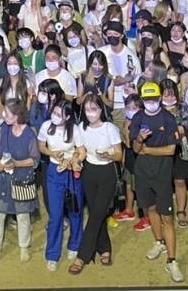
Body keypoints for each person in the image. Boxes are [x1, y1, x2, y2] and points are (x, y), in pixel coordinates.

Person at [129, 81, 183, 283]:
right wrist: (140, 140)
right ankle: (159, 242)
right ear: (142, 100)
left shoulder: (168, 118)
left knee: (168, 217)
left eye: (154, 98)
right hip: (143, 173)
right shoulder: (138, 118)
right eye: (147, 99)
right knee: (150, 209)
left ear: (160, 98)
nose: (150, 102)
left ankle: (172, 259)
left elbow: (170, 150)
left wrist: (148, 150)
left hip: (162, 174)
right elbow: (134, 149)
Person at [71, 92, 122, 273]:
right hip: (89, 172)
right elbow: (81, 150)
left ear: (101, 109)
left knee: (96, 215)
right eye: (87, 109)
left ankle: (82, 255)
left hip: (107, 172)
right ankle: (105, 248)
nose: (91, 112)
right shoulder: (81, 128)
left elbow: (119, 154)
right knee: (95, 213)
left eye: (94, 109)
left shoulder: (110, 128)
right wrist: (76, 159)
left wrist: (108, 154)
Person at [0, 99, 39, 267]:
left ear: (16, 116)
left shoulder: (29, 134)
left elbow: (34, 160)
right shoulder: (4, 129)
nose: (4, 115)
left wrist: (17, 164)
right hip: (4, 181)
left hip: (21, 180)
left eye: (7, 113)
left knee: (22, 216)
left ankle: (24, 246)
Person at [38, 97, 83, 270]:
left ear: (68, 117)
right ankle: (52, 254)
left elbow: (80, 150)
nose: (56, 116)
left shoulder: (75, 130)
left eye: (60, 114)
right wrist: (52, 152)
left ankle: (74, 244)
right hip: (54, 173)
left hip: (72, 173)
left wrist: (72, 160)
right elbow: (41, 146)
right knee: (56, 215)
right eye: (55, 112)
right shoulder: (46, 126)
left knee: (75, 211)